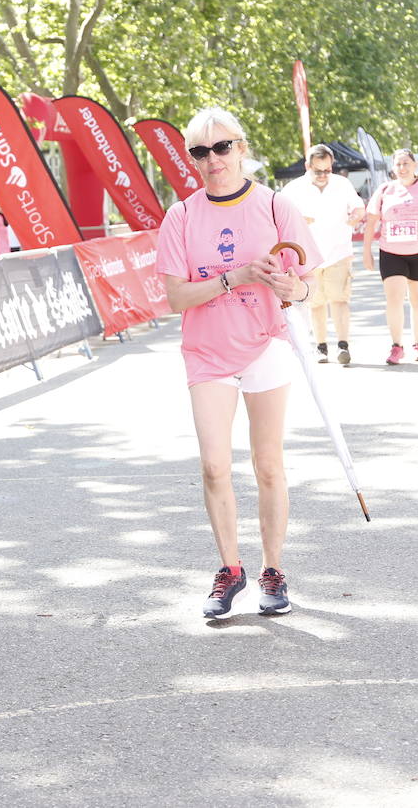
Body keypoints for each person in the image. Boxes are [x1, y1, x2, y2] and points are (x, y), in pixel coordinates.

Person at [155, 108, 320, 620]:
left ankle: (273, 568)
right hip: (207, 351)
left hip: (266, 343)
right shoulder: (181, 215)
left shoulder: (275, 205)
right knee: (214, 464)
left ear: (241, 148)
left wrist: (295, 287)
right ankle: (230, 569)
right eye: (200, 152)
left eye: (222, 147)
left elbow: (305, 281)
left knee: (268, 464)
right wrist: (238, 275)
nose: (212, 160)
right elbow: (177, 297)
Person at [362, 149, 418, 364]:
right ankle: (396, 346)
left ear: (415, 165)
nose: (402, 168)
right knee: (394, 298)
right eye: (398, 165)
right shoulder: (384, 190)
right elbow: (371, 223)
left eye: (406, 163)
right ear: (393, 168)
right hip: (392, 253)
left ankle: (417, 343)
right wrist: (366, 251)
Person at [281, 144, 365, 364]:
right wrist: (297, 219)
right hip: (308, 256)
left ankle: (343, 345)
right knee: (316, 303)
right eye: (318, 171)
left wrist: (357, 215)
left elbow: (358, 207)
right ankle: (321, 347)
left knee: (339, 299)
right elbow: (278, 216)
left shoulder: (342, 184)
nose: (323, 176)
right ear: (307, 166)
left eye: (327, 170)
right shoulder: (293, 189)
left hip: (338, 251)